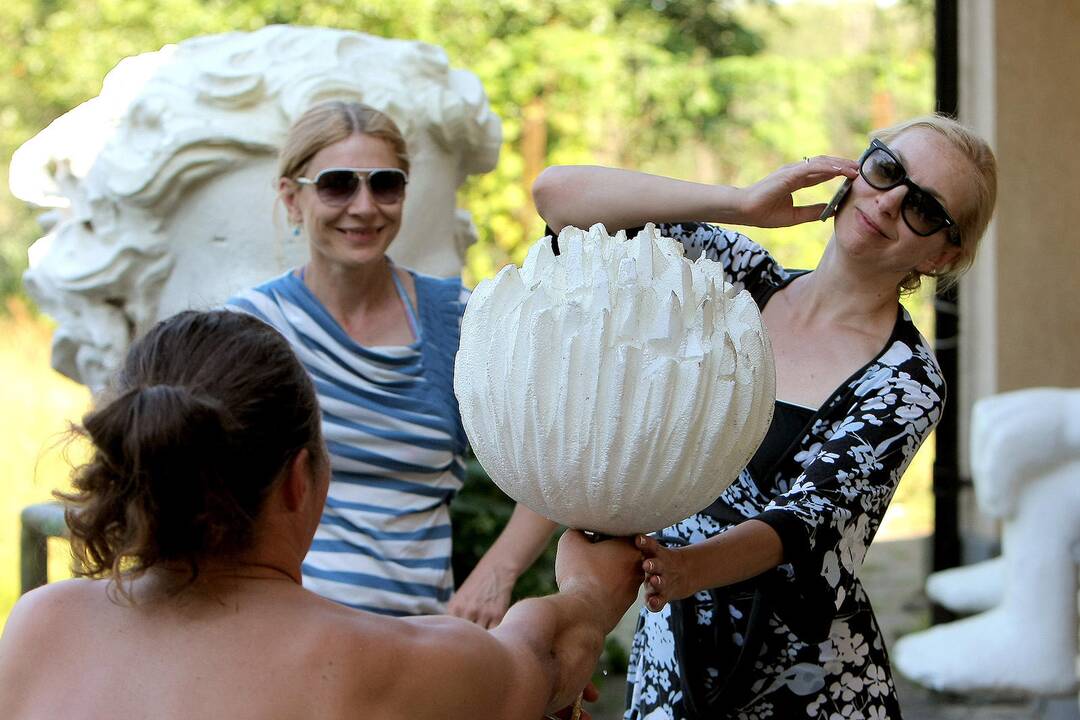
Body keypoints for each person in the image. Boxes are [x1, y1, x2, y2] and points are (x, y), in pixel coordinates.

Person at [533, 114, 997, 719]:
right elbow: (558, 198)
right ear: (854, 170)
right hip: (672, 649)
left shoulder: (906, 379)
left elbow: (804, 527)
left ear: (943, 254)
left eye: (926, 209)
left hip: (805, 686)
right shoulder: (732, 280)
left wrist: (679, 568)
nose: (887, 205)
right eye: (886, 171)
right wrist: (742, 203)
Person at [0, 309, 642, 720]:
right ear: (299, 479)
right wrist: (588, 590)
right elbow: (544, 655)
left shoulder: (39, 627)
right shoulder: (385, 664)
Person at [227, 100, 557, 623]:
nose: (364, 207)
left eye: (385, 184)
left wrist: (494, 578)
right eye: (337, 184)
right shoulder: (250, 329)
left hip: (414, 647)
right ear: (292, 198)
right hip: (280, 640)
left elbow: (558, 453)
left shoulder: (460, 319)